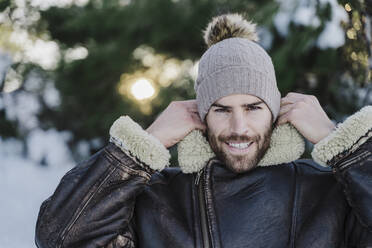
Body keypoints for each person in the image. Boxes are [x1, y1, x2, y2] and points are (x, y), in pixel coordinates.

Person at [35, 13, 372, 248]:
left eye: (253, 108)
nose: (239, 128)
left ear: (274, 111)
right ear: (200, 114)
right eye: (222, 110)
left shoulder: (329, 193)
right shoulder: (154, 197)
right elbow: (61, 238)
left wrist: (346, 145)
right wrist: (140, 147)